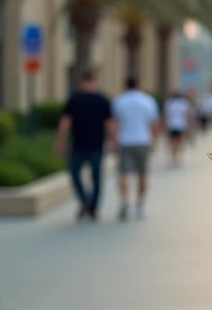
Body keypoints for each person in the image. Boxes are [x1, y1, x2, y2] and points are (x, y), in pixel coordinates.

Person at [55, 68, 113, 221]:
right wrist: (114, 142)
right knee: (84, 176)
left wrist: (60, 141)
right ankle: (88, 203)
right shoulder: (77, 100)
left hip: (89, 144)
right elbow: (66, 122)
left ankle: (89, 205)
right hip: (83, 145)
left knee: (83, 175)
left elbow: (65, 123)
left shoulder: (98, 100)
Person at [112, 76, 161, 221]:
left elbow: (115, 123)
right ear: (139, 84)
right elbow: (154, 123)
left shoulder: (119, 101)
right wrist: (155, 140)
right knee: (143, 174)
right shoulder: (148, 101)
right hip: (143, 141)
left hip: (125, 141)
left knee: (124, 173)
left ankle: (125, 202)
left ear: (125, 85)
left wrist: (113, 141)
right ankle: (140, 205)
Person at [163, 90, 191, 167]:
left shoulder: (169, 104)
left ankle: (174, 156)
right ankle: (177, 156)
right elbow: (187, 115)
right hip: (181, 125)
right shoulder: (184, 104)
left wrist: (165, 125)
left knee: (173, 141)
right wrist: (189, 126)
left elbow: (166, 115)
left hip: (172, 125)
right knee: (180, 141)